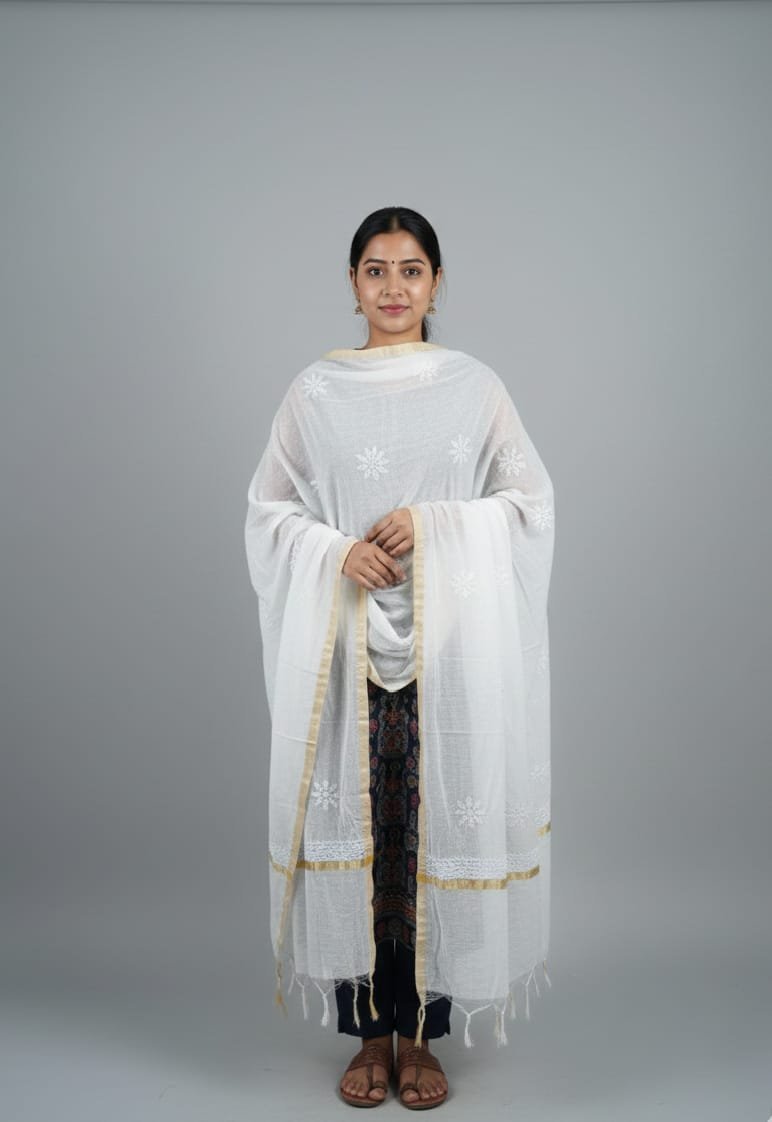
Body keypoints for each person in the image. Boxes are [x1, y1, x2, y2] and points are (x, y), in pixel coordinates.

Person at [244, 206, 555, 1109]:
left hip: (449, 647)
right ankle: (368, 1036)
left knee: (433, 828)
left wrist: (434, 524)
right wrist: (335, 550)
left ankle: (421, 1039)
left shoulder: (473, 387)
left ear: (437, 282)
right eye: (375, 270)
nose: (393, 287)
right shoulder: (316, 392)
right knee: (367, 831)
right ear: (352, 284)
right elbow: (269, 511)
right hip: (343, 645)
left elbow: (528, 504)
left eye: (410, 269)